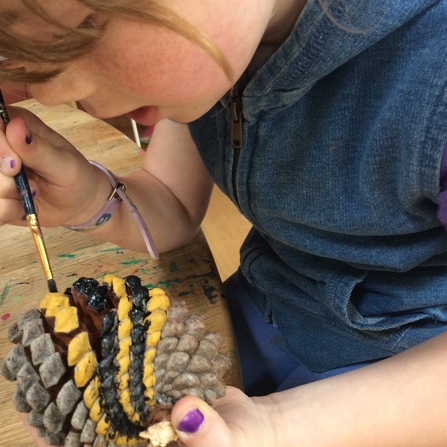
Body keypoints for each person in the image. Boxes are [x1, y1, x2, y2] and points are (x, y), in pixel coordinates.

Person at [0, 0, 446, 445]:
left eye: (86, 28)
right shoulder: (224, 49)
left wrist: (275, 427)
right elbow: (171, 200)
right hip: (265, 310)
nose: (55, 92)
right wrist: (89, 198)